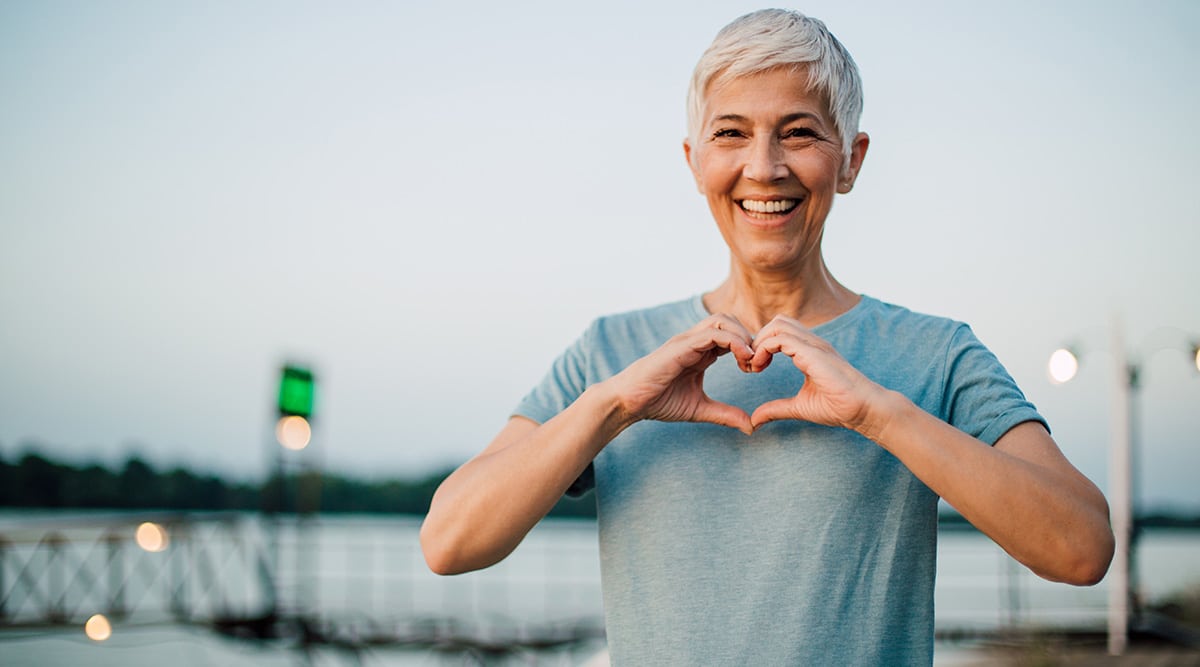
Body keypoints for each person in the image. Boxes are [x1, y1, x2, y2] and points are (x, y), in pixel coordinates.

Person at [420, 8, 1114, 665]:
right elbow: (449, 540)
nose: (765, 166)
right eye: (731, 133)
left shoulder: (937, 353)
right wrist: (614, 407)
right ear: (694, 161)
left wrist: (880, 412)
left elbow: (1082, 547)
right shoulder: (611, 353)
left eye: (800, 132)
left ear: (851, 160)